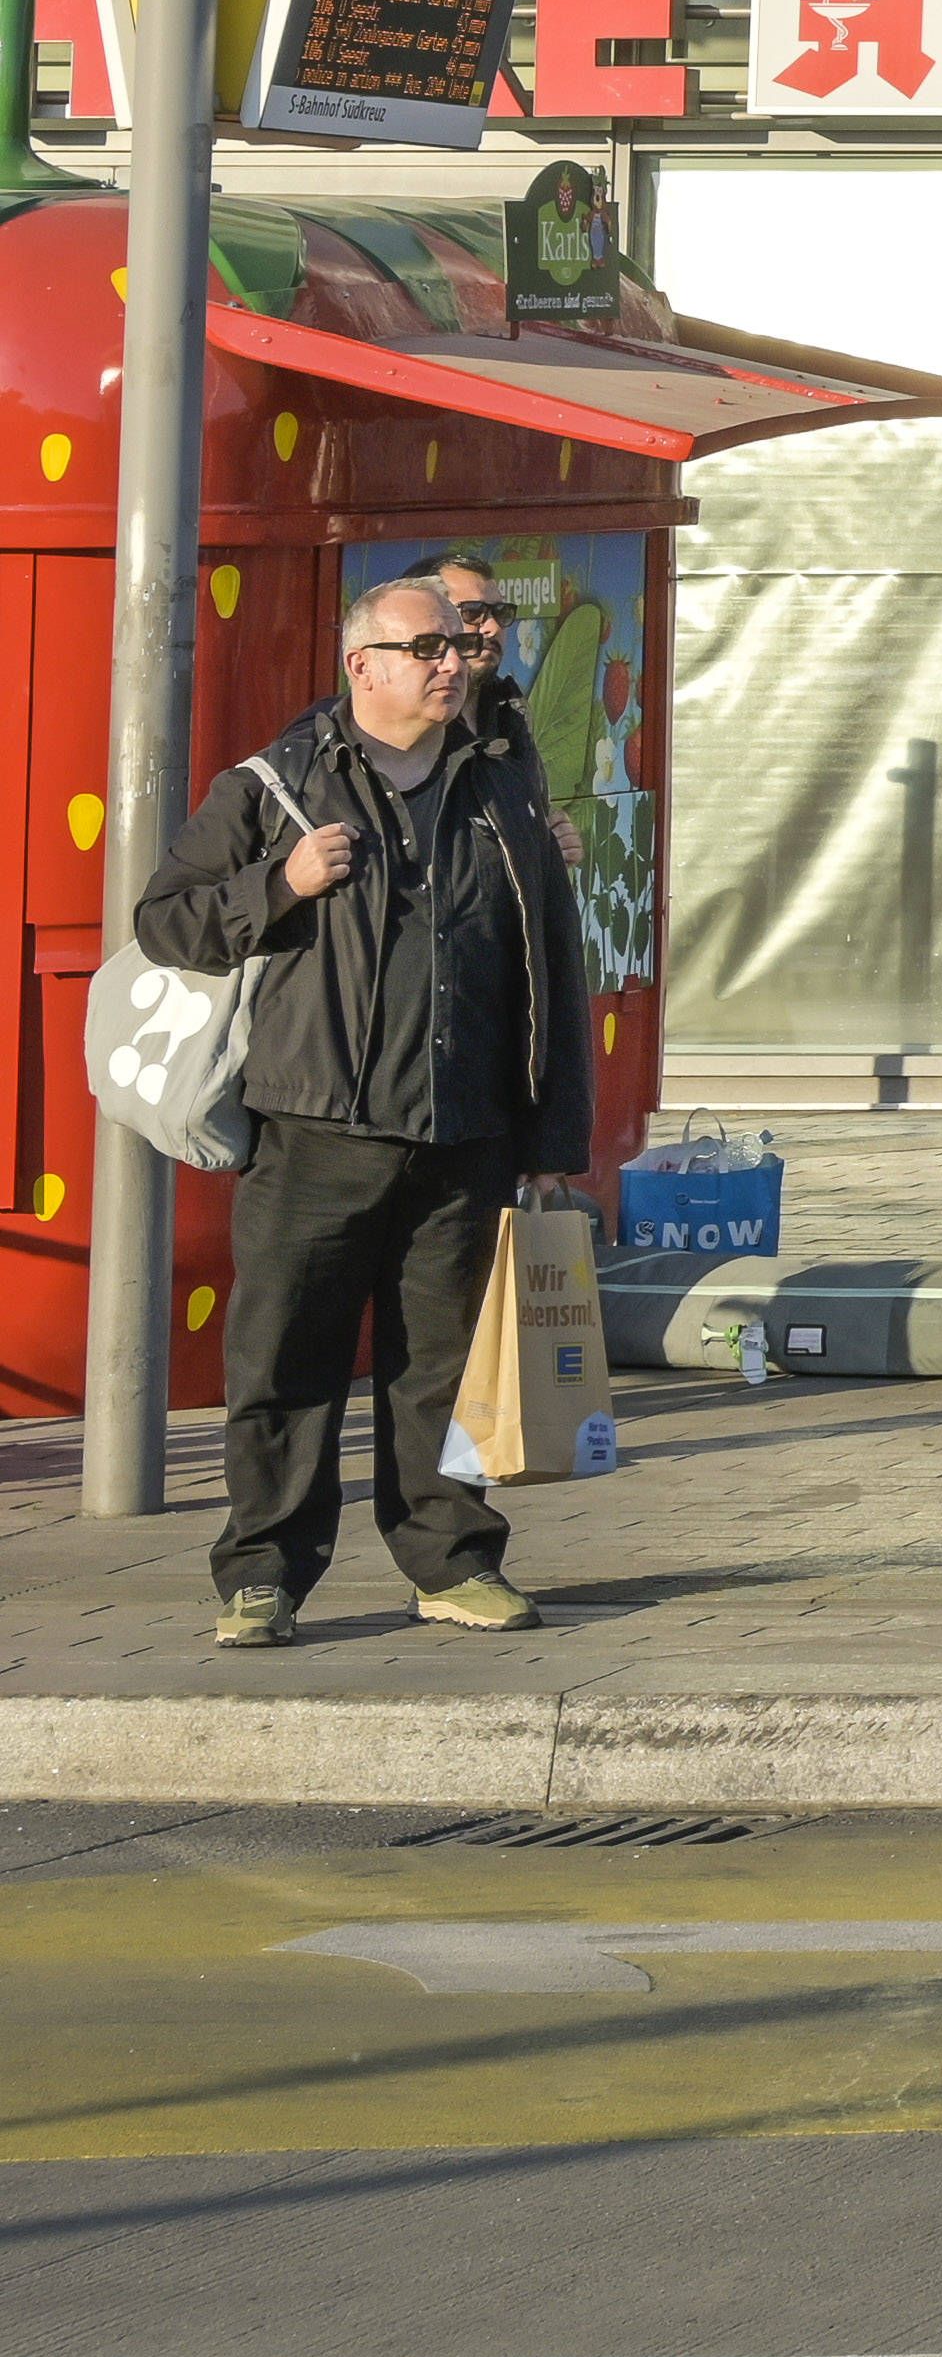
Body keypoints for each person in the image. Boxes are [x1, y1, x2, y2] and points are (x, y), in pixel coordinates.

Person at [142, 566, 600, 1649]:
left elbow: (552, 966)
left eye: (461, 642)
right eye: (429, 645)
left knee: (442, 1372)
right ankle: (263, 1576)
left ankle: (451, 1560)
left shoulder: (502, 780)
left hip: (466, 1133)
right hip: (314, 1131)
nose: (455, 660)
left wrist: (551, 1135)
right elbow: (167, 921)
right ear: (364, 665)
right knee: (284, 1364)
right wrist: (281, 883)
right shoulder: (276, 783)